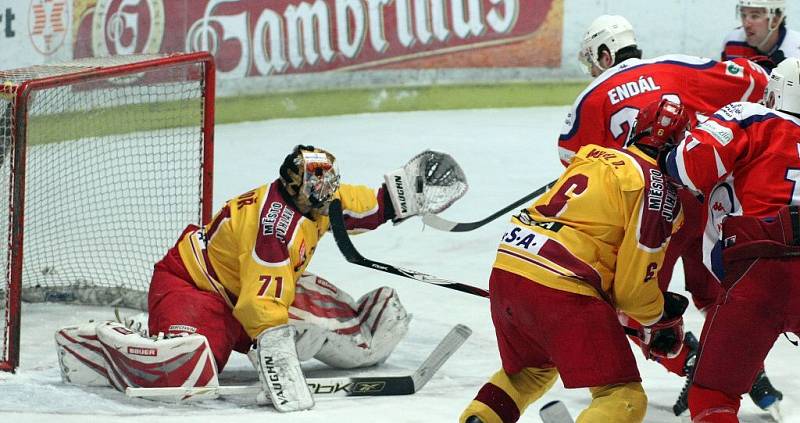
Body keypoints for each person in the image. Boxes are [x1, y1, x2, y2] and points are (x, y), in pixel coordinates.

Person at [54, 145, 468, 412]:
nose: (328, 195)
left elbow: (369, 206)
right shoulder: (274, 229)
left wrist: (408, 192)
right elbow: (258, 307)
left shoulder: (319, 197)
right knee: (186, 371)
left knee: (363, 344)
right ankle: (101, 344)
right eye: (319, 188)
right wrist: (279, 364)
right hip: (196, 288)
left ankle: (350, 317)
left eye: (330, 185)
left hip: (254, 291)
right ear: (296, 189)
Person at [564, 14, 781, 416]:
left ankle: (692, 363)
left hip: (648, 215)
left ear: (605, 53)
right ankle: (745, 368)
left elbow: (574, 164)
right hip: (704, 200)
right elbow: (755, 78)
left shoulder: (590, 98)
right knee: (720, 294)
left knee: (633, 306)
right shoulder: (679, 66)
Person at [460, 99, 690, 423]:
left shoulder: (591, 154)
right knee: (622, 395)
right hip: (566, 287)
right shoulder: (657, 190)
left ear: (636, 129)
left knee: (528, 374)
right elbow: (633, 294)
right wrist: (658, 314)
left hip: (509, 266)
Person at [656, 57, 800, 423]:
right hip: (767, 262)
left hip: (763, 265)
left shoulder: (754, 116)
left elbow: (690, 168)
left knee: (713, 394)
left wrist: (665, 154)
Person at [721, 0, 800, 72]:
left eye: (754, 16)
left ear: (775, 20)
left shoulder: (796, 52)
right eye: (743, 15)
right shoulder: (732, 41)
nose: (746, 24)